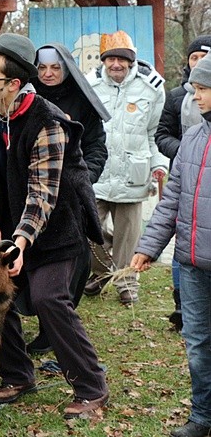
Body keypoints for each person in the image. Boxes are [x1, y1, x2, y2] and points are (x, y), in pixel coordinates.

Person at [0, 33, 109, 418]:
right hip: (13, 226)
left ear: (13, 84)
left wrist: (20, 238)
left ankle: (92, 386)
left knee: (50, 299)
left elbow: (43, 191)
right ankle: (17, 375)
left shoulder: (48, 120)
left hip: (58, 228)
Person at [130, 55, 211, 437]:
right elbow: (172, 199)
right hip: (192, 263)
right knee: (197, 343)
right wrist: (148, 246)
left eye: (203, 89)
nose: (196, 97)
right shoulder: (193, 138)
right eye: (194, 89)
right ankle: (202, 417)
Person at [23, 43, 110, 355]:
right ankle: (45, 324)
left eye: (55, 68)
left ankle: (56, 330)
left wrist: (85, 178)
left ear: (66, 69)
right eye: (42, 68)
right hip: (36, 192)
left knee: (69, 264)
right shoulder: (29, 97)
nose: (47, 74)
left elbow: (97, 145)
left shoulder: (82, 100)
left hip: (71, 195)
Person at [84, 31, 169, 305]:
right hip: (99, 174)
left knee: (129, 238)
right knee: (88, 229)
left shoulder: (152, 87)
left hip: (134, 174)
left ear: (131, 61)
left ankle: (126, 282)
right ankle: (99, 273)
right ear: (104, 62)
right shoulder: (89, 85)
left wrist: (159, 165)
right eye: (111, 59)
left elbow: (155, 132)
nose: (116, 65)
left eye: (122, 59)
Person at [155, 34, 211, 331]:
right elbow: (162, 133)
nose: (196, 95)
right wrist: (189, 154)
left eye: (203, 89)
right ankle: (181, 307)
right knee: (197, 335)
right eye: (194, 57)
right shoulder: (177, 98)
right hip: (187, 175)